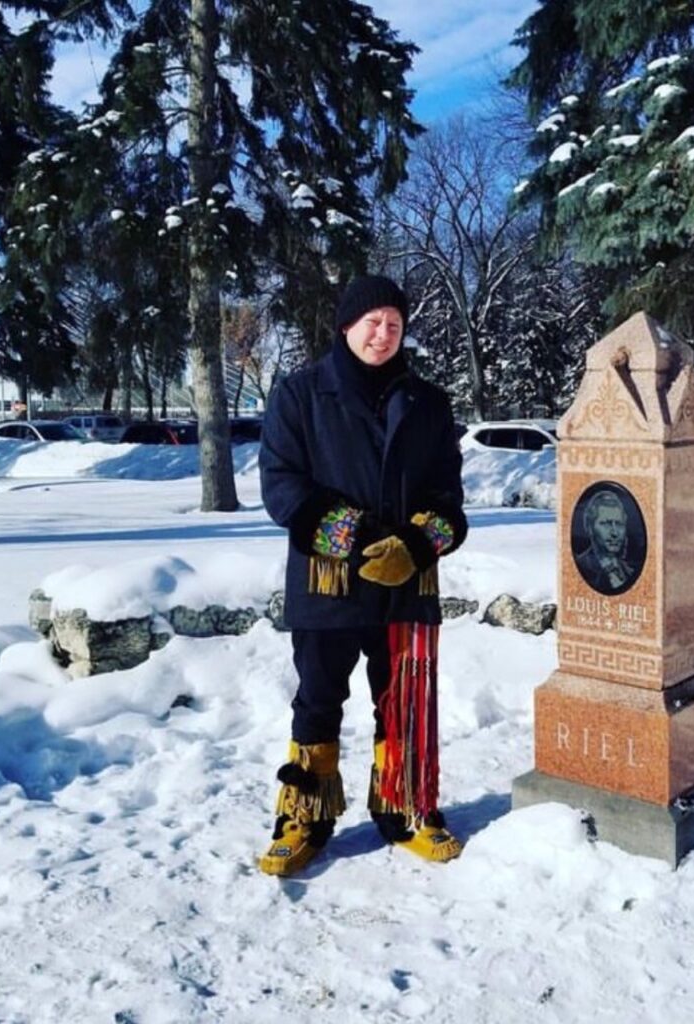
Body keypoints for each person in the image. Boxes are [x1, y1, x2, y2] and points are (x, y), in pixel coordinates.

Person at [257, 274, 468, 876]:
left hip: (407, 585)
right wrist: (360, 539)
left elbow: (450, 501)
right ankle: (304, 814)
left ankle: (406, 806)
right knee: (318, 701)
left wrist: (416, 544)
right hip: (327, 585)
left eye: (394, 325)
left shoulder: (428, 402)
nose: (383, 334)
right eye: (372, 322)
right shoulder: (299, 394)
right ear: (347, 326)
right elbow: (283, 489)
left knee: (404, 703)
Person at [574, 489, 635, 594]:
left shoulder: (629, 572)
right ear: (590, 527)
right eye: (606, 524)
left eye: (619, 524)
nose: (615, 533)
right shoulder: (582, 567)